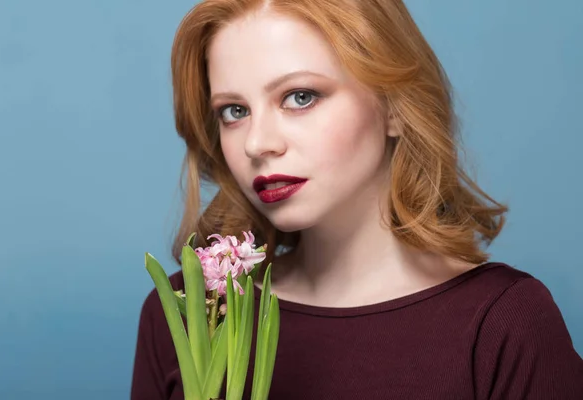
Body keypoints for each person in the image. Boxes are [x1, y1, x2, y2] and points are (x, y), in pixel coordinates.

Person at [131, 0, 583, 398]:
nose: (257, 143)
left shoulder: (504, 323)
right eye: (234, 111)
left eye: (300, 97)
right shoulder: (186, 313)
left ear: (393, 107)